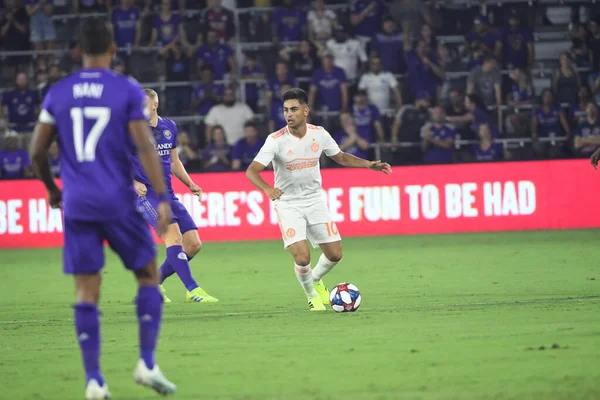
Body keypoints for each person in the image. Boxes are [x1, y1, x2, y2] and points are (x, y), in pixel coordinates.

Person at [28, 17, 176, 399]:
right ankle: (146, 362)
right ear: (113, 49)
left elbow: (36, 151)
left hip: (77, 205)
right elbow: (144, 146)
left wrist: (51, 189)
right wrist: (161, 199)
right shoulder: (125, 89)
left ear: (77, 51)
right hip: (117, 201)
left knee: (86, 290)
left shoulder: (58, 92)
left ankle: (94, 380)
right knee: (146, 273)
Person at [245, 88, 391, 311]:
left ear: (305, 111)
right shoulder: (275, 140)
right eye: (285, 110)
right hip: (288, 203)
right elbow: (252, 171)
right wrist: (267, 188)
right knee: (302, 257)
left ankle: (313, 279)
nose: (289, 114)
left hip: (314, 200)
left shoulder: (319, 134)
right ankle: (312, 295)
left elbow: (340, 157)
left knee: (335, 254)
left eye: (294, 109)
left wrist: (368, 164)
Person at [133, 89, 218, 304]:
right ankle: (193, 289)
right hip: (146, 195)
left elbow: (174, 161)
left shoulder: (169, 127)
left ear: (155, 104)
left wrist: (190, 183)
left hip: (167, 194)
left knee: (193, 244)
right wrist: (132, 182)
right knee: (173, 236)